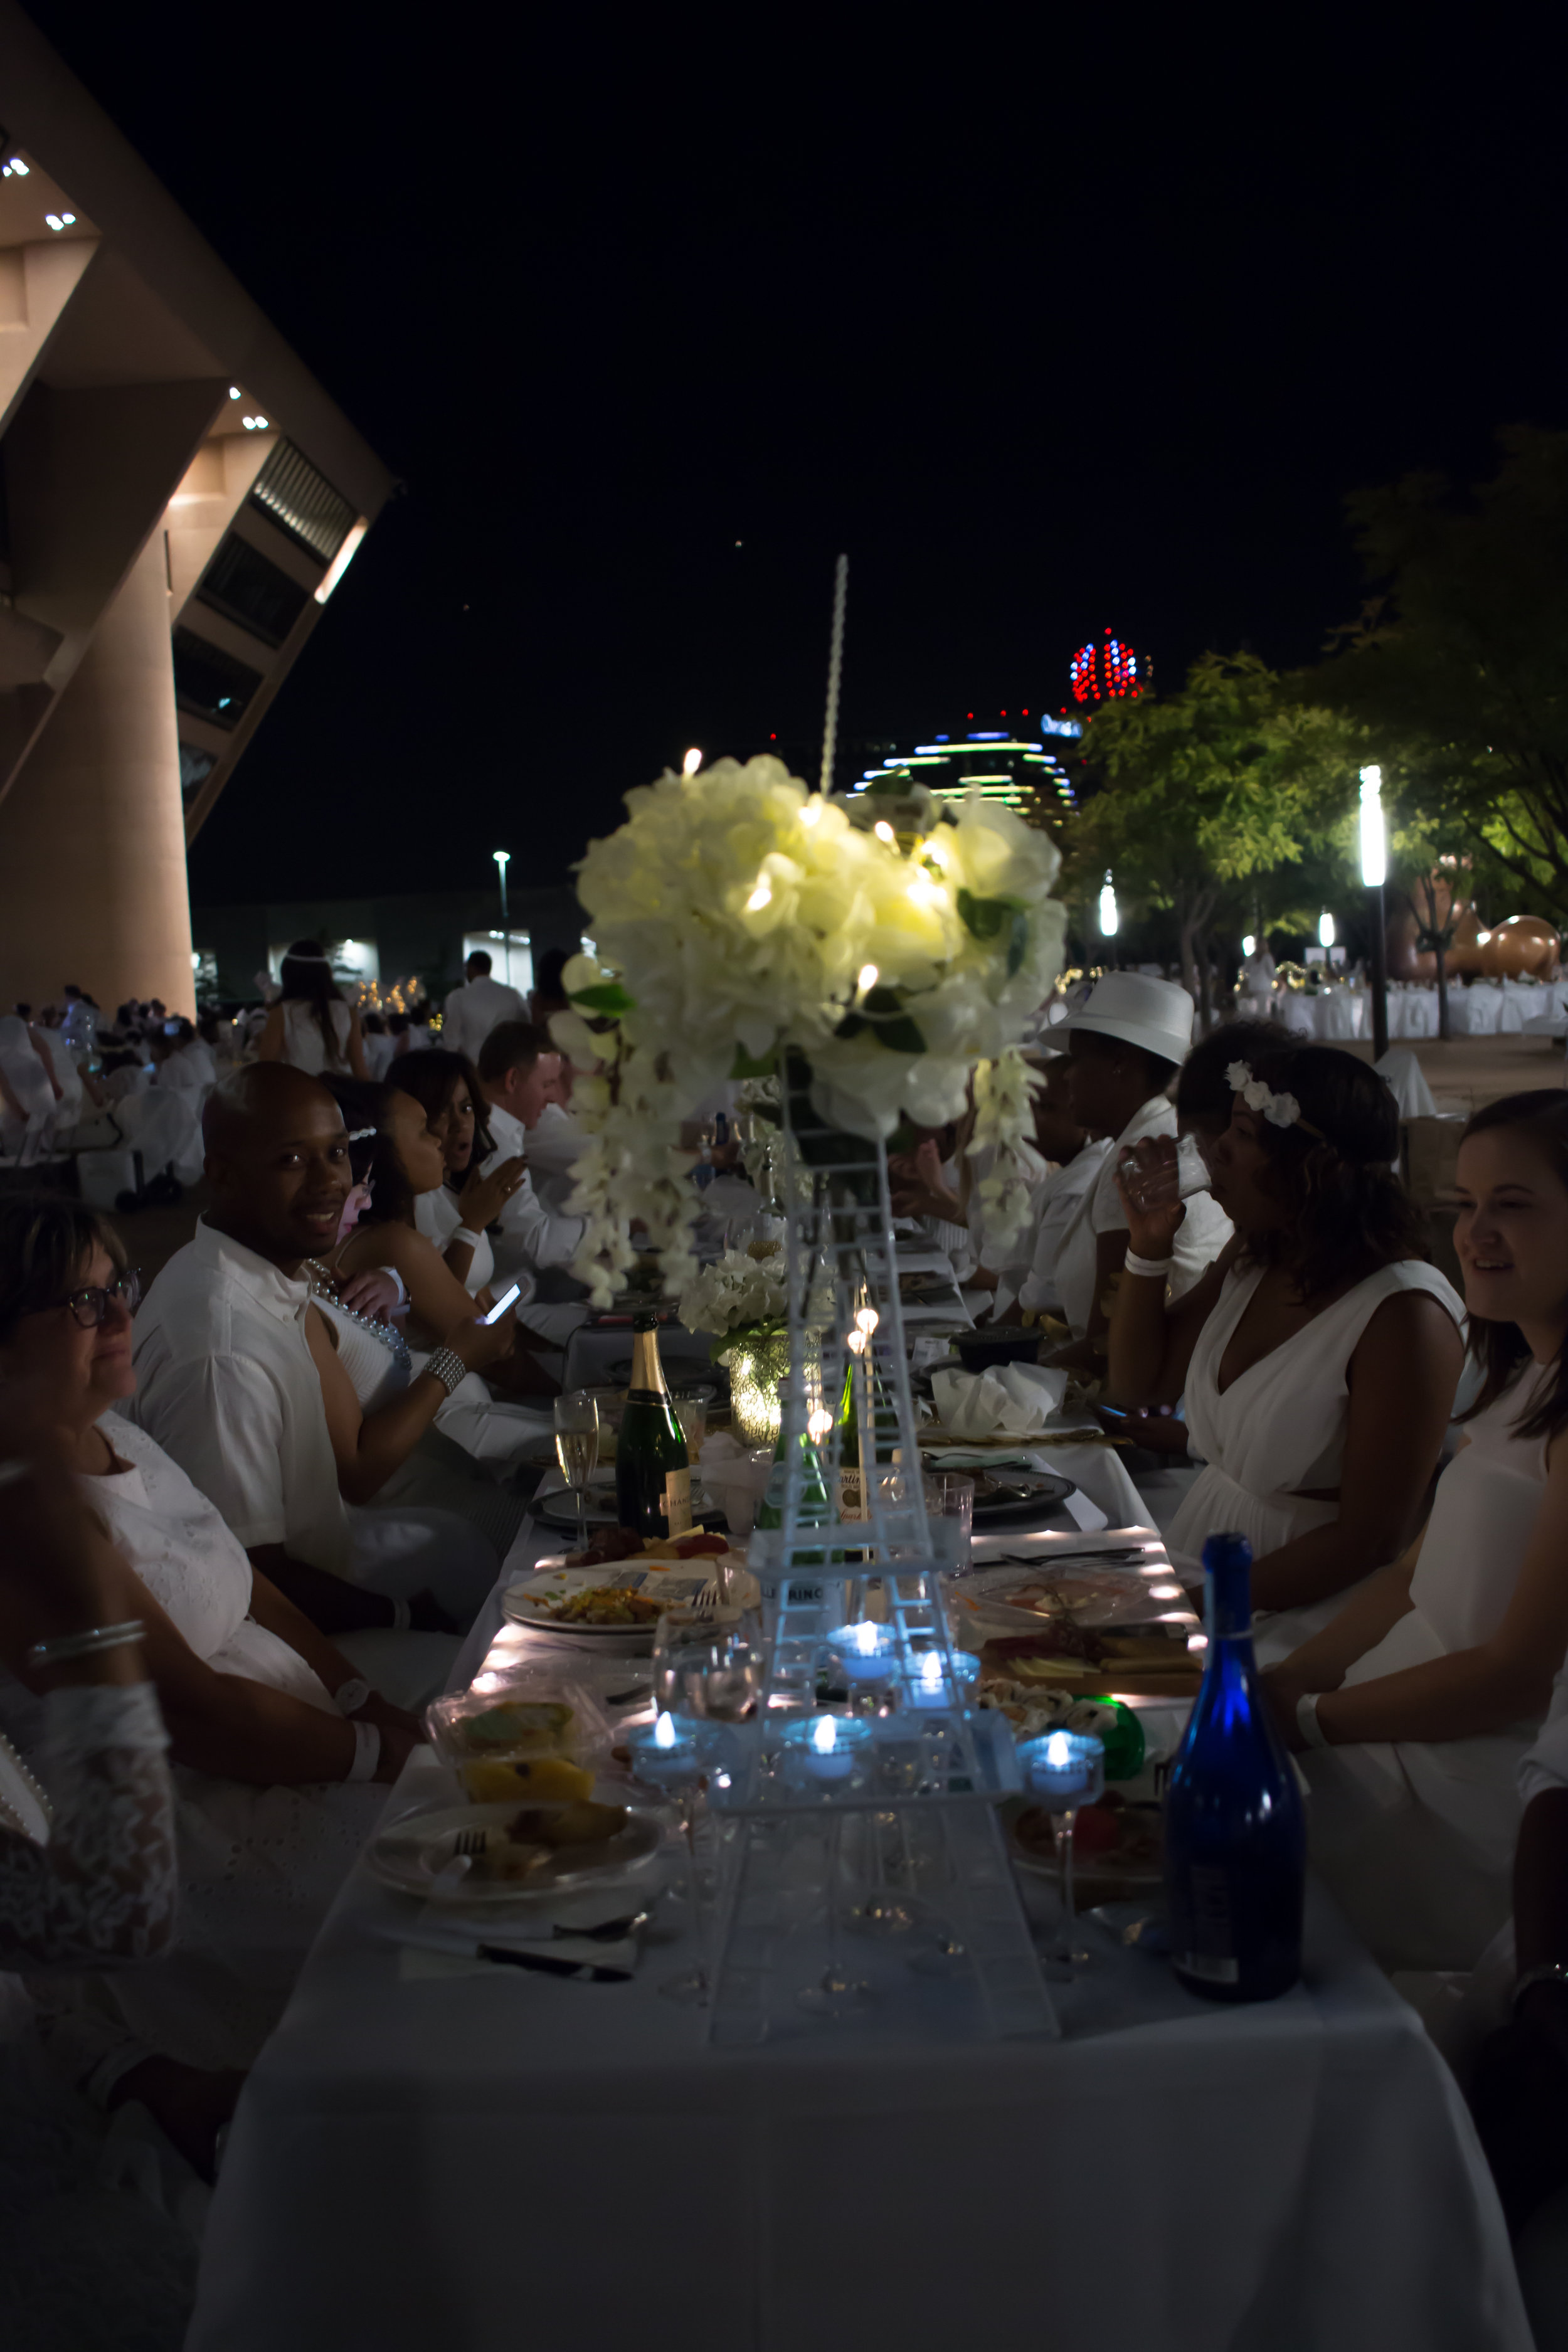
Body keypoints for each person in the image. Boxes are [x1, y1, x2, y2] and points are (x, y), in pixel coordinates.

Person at [0, 1201, 425, 2081]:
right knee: (459, 1898)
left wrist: (356, 1693)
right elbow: (200, 1718)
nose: (122, 1316)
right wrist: (378, 1750)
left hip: (295, 1739)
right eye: (84, 1305)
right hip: (210, 1822)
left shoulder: (111, 1434)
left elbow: (244, 1574)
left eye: (119, 1285)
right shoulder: (27, 1513)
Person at [1262, 1089, 1568, 1973]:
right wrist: (1285, 1680)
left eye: (1512, 1205)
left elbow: (1517, 1675)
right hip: (1388, 1718)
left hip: (1461, 1783)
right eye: (1466, 1205)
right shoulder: (1517, 1382)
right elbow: (1408, 1576)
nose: (1474, 1233)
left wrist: (1316, 1719)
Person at [127, 1065, 498, 1651]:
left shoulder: (266, 1273)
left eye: (337, 1153)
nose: (331, 1182)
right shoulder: (222, 1350)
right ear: (222, 1175)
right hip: (288, 1646)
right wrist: (401, 1616)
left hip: (333, 1559)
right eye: (293, 1160)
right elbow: (253, 1577)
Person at [1110, 1038, 1465, 1648]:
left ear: (1310, 1166)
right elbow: (1138, 1389)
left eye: (1243, 1134)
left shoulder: (1403, 1315)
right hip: (1206, 1555)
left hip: (1307, 1606)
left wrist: (1192, 1610)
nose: (1216, 1147)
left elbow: (1369, 1541)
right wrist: (1147, 1246)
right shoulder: (1258, 1253)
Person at [0, 1396, 203, 2348]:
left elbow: (21, 1990)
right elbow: (119, 1914)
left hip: (73, 2106)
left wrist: (136, 2070)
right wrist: (83, 1608)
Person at [1048, 973, 1233, 1361]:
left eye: (1077, 1060)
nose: (1066, 1075)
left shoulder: (1143, 1161)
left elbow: (1105, 1344)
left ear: (1120, 1063)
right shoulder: (1153, 1134)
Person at [391, 1050, 522, 1297]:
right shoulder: (408, 1204)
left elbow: (478, 1294)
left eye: (467, 1108)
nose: (460, 1124)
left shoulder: (459, 1188)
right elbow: (435, 1299)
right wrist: (472, 1225)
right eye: (441, 1112)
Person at [254, 943, 368, 1081]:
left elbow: (266, 1070)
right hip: (341, 1097)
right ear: (326, 975)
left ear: (288, 975)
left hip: (300, 1097)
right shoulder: (348, 1012)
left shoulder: (281, 1013)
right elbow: (360, 1070)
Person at [442, 950, 526, 1064]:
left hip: (473, 1065)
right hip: (507, 1062)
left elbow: (451, 1037)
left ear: (470, 968)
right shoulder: (512, 994)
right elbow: (525, 1025)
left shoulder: (458, 997)